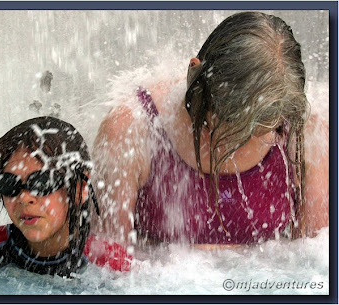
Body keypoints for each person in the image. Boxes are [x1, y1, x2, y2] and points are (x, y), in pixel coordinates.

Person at [92, 11, 329, 248]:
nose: (237, 142)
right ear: (194, 74)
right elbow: (109, 264)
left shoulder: (306, 133)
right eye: (229, 122)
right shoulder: (132, 128)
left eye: (259, 129)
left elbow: (314, 262)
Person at [0, 116, 131, 277]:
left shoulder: (108, 262)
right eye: (8, 183)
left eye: (41, 183)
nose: (24, 198)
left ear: (80, 188)